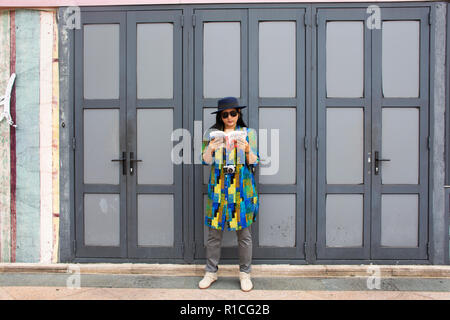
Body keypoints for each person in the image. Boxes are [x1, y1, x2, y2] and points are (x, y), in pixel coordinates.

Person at [199, 97, 259, 292]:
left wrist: (248, 149)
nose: (230, 117)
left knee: (244, 234)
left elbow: (255, 161)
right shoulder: (212, 134)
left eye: (233, 113)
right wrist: (211, 147)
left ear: (238, 114)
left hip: (241, 190)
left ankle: (245, 273)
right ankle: (211, 272)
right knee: (214, 234)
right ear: (221, 117)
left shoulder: (249, 134)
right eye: (225, 114)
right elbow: (205, 161)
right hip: (219, 189)